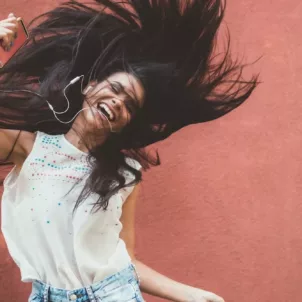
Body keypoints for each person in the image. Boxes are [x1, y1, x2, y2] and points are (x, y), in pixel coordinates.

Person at [0, 1, 258, 302]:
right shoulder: (29, 147)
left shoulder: (124, 175)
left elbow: (126, 260)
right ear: (88, 87)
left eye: (129, 106)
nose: (118, 102)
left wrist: (191, 295)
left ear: (126, 124)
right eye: (115, 89)